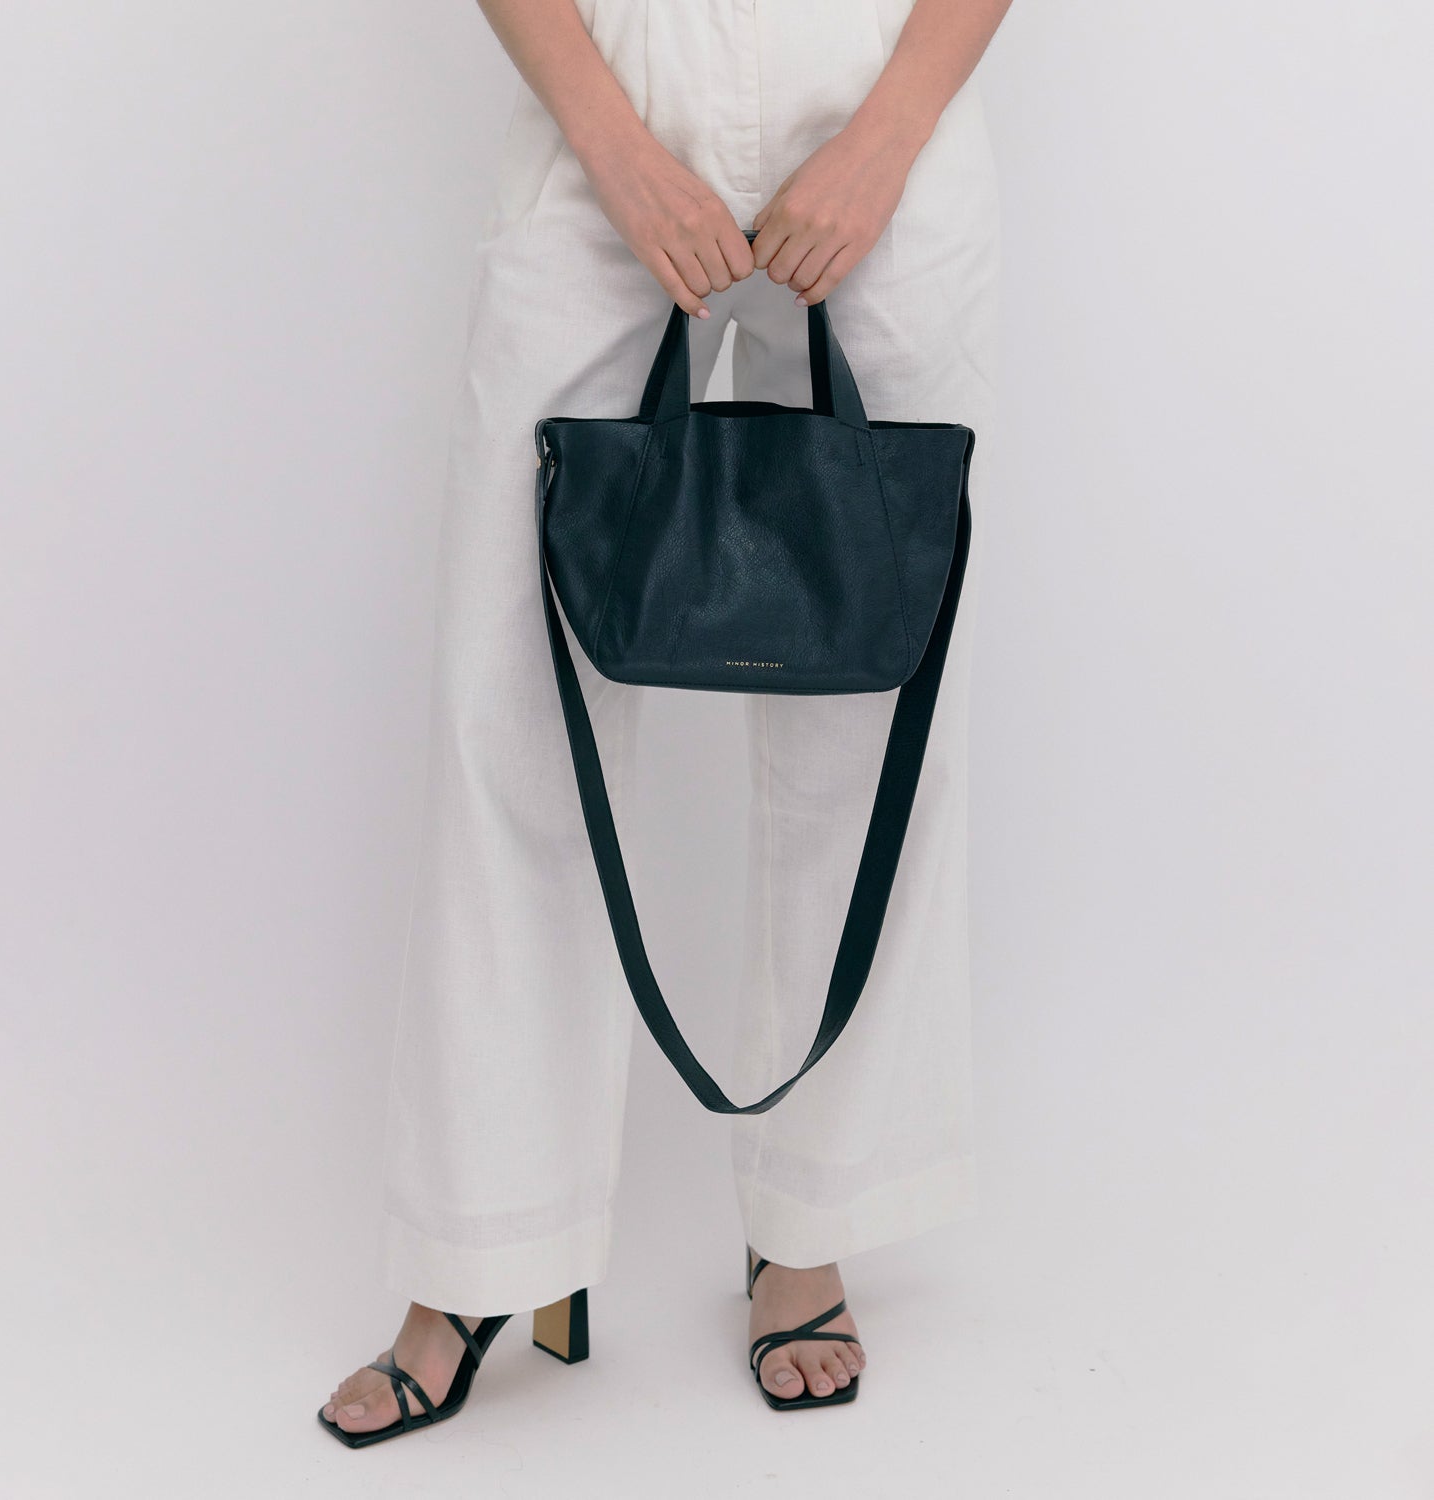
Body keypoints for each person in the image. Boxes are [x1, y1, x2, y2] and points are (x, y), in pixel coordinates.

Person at [320, 0, 1012, 1444]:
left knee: (863, 707)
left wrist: (886, 137)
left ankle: (807, 1220)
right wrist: (619, 150)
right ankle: (488, 1245)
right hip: (606, 116)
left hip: (878, 107)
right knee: (507, 706)